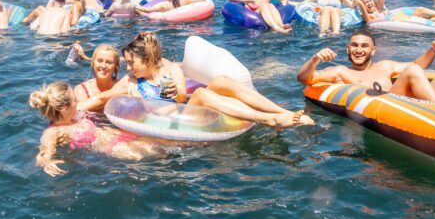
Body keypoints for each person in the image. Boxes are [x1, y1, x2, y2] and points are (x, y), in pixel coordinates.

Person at [112, 32, 313, 127]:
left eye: (131, 62)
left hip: (185, 114)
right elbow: (104, 98)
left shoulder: (170, 69)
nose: (128, 68)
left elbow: (181, 98)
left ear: (147, 59)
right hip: (170, 125)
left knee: (220, 81)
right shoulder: (131, 82)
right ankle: (268, 119)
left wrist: (176, 92)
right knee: (200, 92)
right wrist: (137, 100)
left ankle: (283, 111)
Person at [30, 81, 163, 176]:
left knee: (162, 140)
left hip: (115, 135)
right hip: (112, 149)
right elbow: (43, 151)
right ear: (65, 108)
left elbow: (99, 99)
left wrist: (129, 90)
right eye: (74, 100)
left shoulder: (76, 114)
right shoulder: (53, 132)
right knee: (160, 151)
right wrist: (47, 162)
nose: (77, 102)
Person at [298, 32, 435, 103]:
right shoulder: (341, 71)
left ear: (373, 51)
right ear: (348, 49)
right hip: (391, 109)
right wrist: (314, 60)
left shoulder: (385, 66)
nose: (359, 50)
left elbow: (418, 66)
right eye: (354, 46)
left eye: (364, 46)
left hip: (414, 105)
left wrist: (433, 50)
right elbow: (304, 79)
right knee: (412, 71)